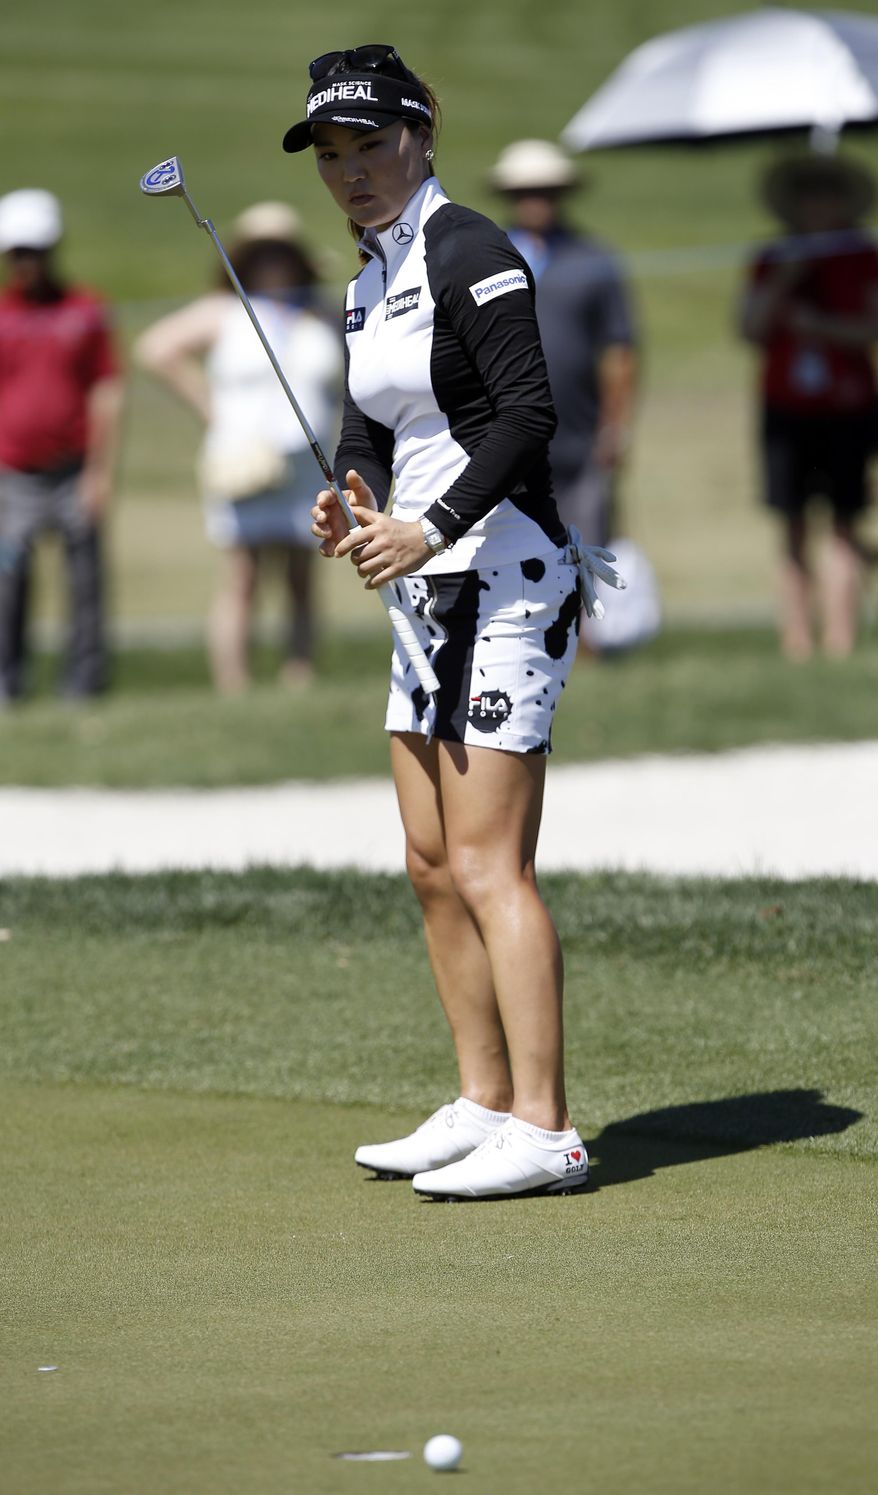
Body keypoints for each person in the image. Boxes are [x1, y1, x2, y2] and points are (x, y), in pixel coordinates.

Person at [284, 44, 622, 1200]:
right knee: (430, 863)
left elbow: (531, 414)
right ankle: (482, 1103)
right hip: (429, 588)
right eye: (332, 155)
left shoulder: (468, 247)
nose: (352, 173)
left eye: (370, 145)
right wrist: (354, 496)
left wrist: (426, 526)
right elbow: (368, 423)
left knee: (488, 862)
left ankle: (548, 1127)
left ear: (422, 133)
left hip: (507, 575)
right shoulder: (365, 274)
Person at [135, 203, 341, 692]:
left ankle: (300, 674)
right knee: (242, 574)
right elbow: (156, 348)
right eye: (263, 255)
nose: (273, 264)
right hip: (243, 461)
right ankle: (235, 684)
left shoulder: (319, 313)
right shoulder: (224, 311)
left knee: (301, 573)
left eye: (281, 254)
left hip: (306, 463)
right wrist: (213, 409)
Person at [739, 153, 878, 661]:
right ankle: (796, 640)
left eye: (827, 195)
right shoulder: (773, 257)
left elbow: (871, 324)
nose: (818, 206)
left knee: (844, 521)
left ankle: (839, 639)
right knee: (792, 523)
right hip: (787, 409)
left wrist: (824, 328)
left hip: (848, 406)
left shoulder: (861, 254)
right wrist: (786, 279)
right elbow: (749, 329)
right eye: (809, 196)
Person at [0, 189, 123, 703]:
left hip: (73, 470)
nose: (28, 262)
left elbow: (107, 390)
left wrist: (100, 472)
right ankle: (8, 685)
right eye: (18, 253)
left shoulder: (86, 309)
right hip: (11, 475)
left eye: (36, 251)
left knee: (86, 583)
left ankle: (84, 688)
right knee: (8, 585)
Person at [488, 139, 638, 558]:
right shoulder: (488, 258)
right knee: (514, 562)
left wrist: (615, 428)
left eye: (546, 192)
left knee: (582, 555)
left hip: (579, 438)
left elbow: (619, 349)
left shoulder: (593, 258)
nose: (537, 202)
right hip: (502, 440)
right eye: (525, 193)